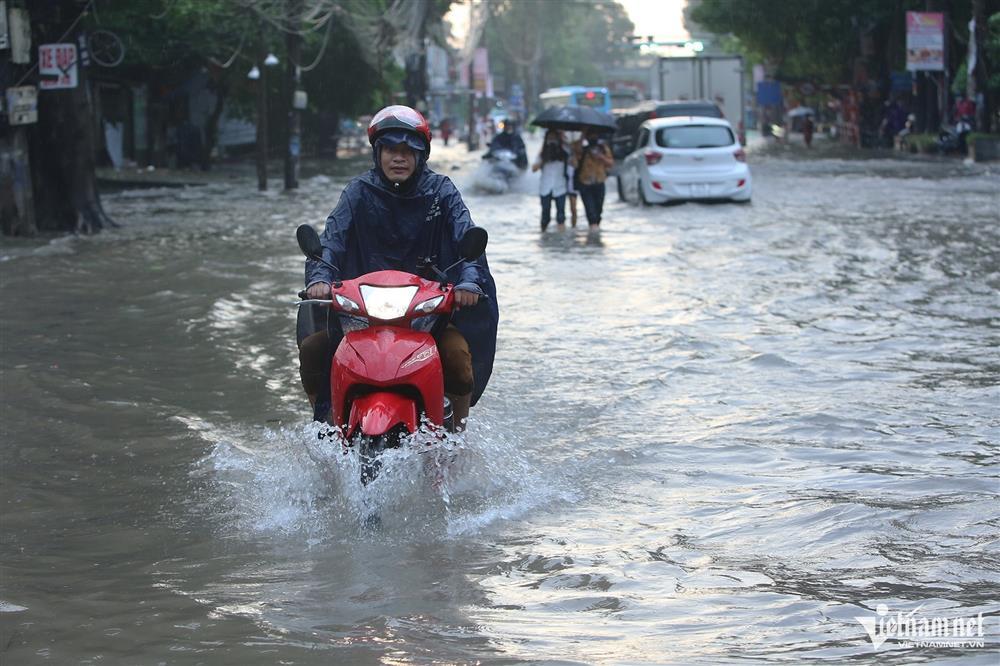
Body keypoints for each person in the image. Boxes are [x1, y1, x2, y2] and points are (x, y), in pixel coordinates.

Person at [299, 105, 499, 429]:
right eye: (391, 149)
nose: (399, 158)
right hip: (360, 317)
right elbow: (332, 241)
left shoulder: (442, 191)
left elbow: (467, 242)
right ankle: (323, 425)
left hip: (427, 317)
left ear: (422, 156)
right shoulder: (357, 192)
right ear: (377, 153)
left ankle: (459, 436)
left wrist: (468, 284)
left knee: (459, 361)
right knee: (312, 351)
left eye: (409, 151)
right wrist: (320, 277)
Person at [572, 129, 614, 230]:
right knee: (590, 211)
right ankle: (593, 233)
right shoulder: (583, 149)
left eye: (594, 135)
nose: (593, 138)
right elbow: (575, 150)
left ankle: (595, 235)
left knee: (598, 210)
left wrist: (601, 157)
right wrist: (583, 134)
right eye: (590, 135)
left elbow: (611, 163)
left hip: (599, 181)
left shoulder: (603, 148)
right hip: (585, 182)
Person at [531, 129, 571, 231]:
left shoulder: (564, 151)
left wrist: (564, 141)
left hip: (560, 186)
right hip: (545, 187)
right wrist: (544, 159)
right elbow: (534, 168)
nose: (552, 140)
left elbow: (574, 161)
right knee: (545, 214)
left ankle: (561, 237)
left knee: (561, 215)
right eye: (550, 138)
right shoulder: (543, 152)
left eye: (554, 138)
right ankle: (543, 235)